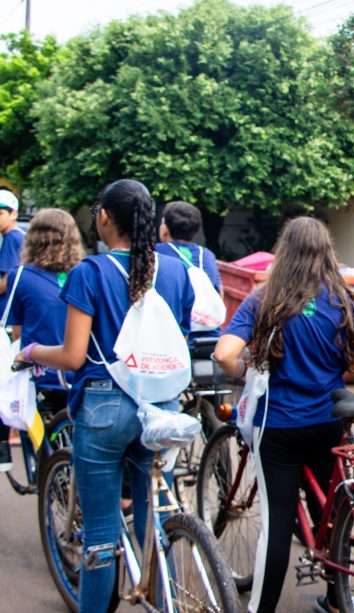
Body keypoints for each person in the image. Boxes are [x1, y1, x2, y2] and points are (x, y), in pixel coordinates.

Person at [16, 179, 194, 613]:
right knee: (156, 522)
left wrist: (31, 351)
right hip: (163, 410)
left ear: (103, 218)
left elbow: (74, 356)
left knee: (98, 537)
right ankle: (162, 596)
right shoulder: (174, 270)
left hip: (105, 408)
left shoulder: (89, 273)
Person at [212, 216, 354, 613]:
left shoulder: (265, 300)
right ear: (326, 254)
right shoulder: (342, 301)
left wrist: (245, 368)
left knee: (277, 525)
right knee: (329, 515)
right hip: (328, 423)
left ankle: (260, 610)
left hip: (279, 427)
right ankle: (338, 599)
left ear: (285, 252)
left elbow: (223, 354)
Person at [0, 209, 84, 472]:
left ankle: (18, 458)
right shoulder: (83, 273)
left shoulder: (20, 276)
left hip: (41, 372)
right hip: (79, 370)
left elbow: (17, 331)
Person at [155, 200, 223, 343]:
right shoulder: (207, 255)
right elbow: (219, 293)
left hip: (173, 337)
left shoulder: (155, 253)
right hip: (210, 337)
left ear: (165, 229)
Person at [0, 189, 25, 296]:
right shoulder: (22, 231)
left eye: (0, 213)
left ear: (13, 214)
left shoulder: (12, 237)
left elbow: (7, 282)